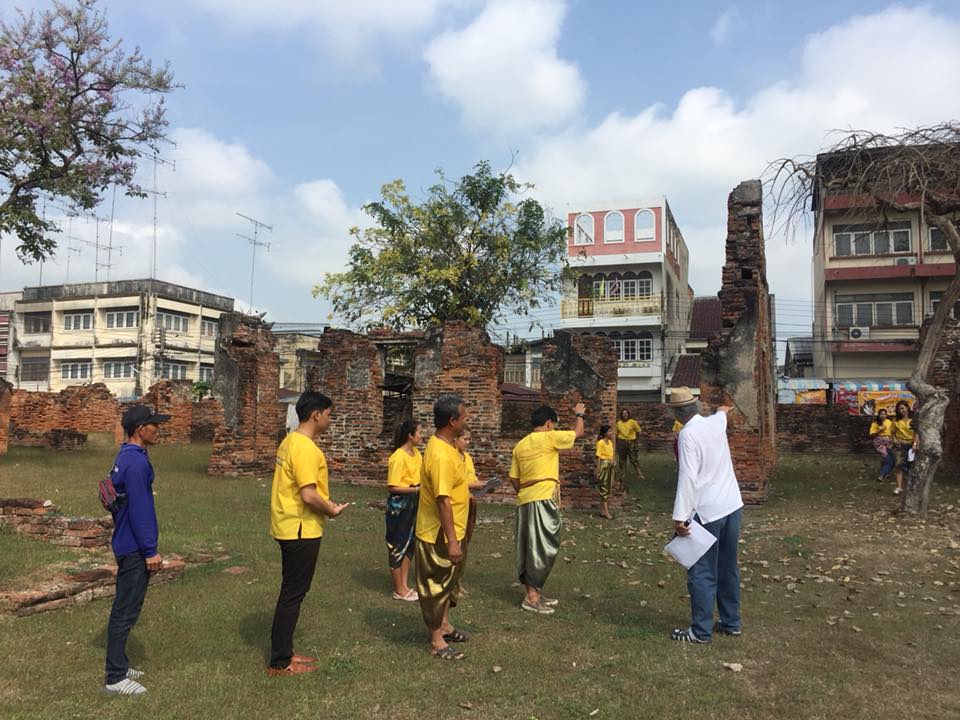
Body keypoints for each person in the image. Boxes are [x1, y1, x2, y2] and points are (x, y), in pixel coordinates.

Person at [267, 392, 349, 677]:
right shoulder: (304, 447)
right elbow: (308, 494)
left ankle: (285, 653)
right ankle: (279, 662)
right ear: (316, 414)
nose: (330, 418)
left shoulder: (290, 441)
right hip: (300, 527)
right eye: (328, 413)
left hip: (288, 525)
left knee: (292, 591)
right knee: (293, 593)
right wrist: (332, 510)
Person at [103, 404, 171, 696]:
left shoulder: (127, 455)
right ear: (140, 430)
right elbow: (141, 510)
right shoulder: (136, 463)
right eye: (154, 424)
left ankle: (120, 662)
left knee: (128, 608)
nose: (159, 429)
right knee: (125, 611)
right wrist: (150, 550)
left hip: (126, 542)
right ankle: (115, 677)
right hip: (133, 546)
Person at [667, 387, 743, 644]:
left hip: (707, 511)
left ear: (677, 414)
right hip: (732, 505)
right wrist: (724, 407)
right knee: (727, 566)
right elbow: (723, 411)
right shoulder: (714, 424)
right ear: (697, 406)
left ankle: (700, 631)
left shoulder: (687, 435)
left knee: (701, 571)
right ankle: (731, 622)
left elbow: (688, 477)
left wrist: (680, 517)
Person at [509, 402, 586, 615]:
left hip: (526, 499)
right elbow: (578, 432)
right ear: (549, 423)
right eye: (554, 424)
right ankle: (531, 597)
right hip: (541, 499)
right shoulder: (549, 437)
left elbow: (513, 478)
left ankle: (534, 591)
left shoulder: (520, 445)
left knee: (531, 546)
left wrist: (525, 490)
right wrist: (579, 413)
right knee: (542, 547)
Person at [415, 395, 471, 659]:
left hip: (454, 528)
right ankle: (437, 640)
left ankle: (445, 626)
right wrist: (451, 540)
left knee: (448, 583)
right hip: (438, 532)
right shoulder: (439, 454)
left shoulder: (451, 449)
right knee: (436, 584)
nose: (466, 420)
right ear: (452, 421)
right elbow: (442, 500)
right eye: (463, 416)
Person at [386, 420, 423, 602]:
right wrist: (416, 490)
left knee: (410, 544)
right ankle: (398, 588)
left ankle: (405, 585)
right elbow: (393, 487)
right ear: (410, 435)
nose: (421, 436)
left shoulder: (417, 454)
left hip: (415, 502)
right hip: (400, 505)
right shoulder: (398, 457)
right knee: (397, 545)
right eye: (419, 432)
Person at [890, 400, 919, 496]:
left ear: (907, 407)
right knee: (899, 465)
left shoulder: (913, 419)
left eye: (902, 408)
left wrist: (915, 443)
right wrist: (894, 439)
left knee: (911, 466)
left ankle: (910, 488)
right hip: (900, 444)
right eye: (898, 409)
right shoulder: (896, 421)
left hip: (911, 445)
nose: (901, 411)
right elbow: (892, 432)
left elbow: (917, 433)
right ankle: (899, 487)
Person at [615, 408, 643, 481]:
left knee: (633, 458)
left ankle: (639, 473)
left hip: (631, 442)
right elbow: (616, 433)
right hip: (621, 442)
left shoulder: (633, 422)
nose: (625, 415)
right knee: (622, 459)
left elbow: (638, 431)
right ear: (621, 415)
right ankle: (623, 474)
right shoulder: (618, 423)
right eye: (623, 413)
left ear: (628, 414)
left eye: (626, 413)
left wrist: (636, 441)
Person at [595, 424, 616, 519]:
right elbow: (599, 458)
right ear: (605, 433)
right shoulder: (600, 443)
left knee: (609, 487)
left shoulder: (610, 443)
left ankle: (602, 511)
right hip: (604, 466)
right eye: (609, 431)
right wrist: (598, 471)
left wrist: (613, 461)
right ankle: (606, 512)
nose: (611, 433)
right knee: (604, 488)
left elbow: (611, 455)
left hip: (610, 466)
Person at [869, 408, 894, 483]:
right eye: (881, 414)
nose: (883, 415)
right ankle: (882, 475)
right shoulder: (875, 423)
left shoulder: (889, 422)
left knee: (889, 458)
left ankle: (887, 473)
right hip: (879, 441)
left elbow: (892, 432)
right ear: (879, 415)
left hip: (889, 441)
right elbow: (871, 434)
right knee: (887, 457)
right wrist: (879, 430)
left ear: (886, 415)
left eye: (884, 414)